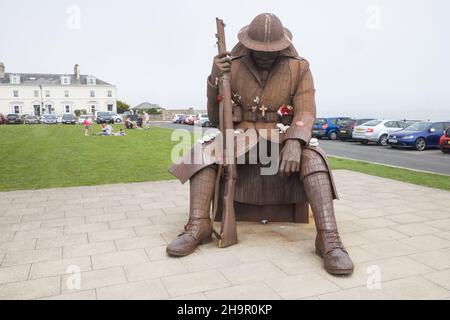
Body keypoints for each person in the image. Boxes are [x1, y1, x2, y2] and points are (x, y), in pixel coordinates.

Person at [166, 13, 354, 276]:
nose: (265, 55)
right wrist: (214, 78)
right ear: (248, 43)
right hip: (241, 135)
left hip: (281, 135)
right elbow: (214, 117)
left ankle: (328, 238)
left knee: (314, 159)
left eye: (272, 50)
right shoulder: (232, 65)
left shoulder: (299, 67)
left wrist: (295, 141)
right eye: (259, 50)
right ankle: (199, 225)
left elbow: (306, 110)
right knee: (202, 152)